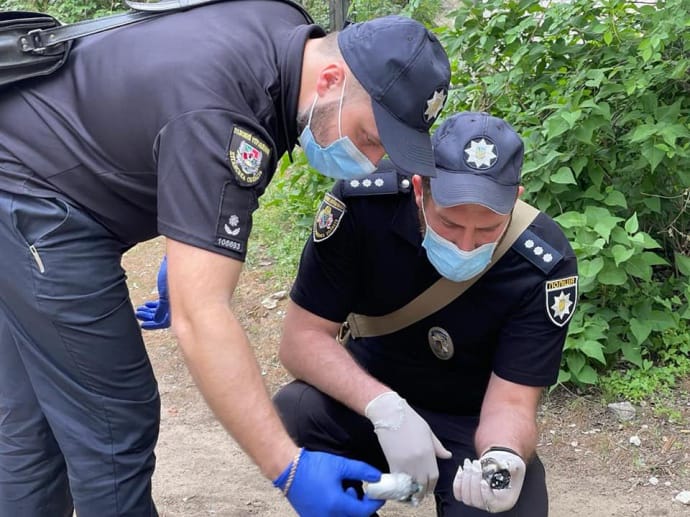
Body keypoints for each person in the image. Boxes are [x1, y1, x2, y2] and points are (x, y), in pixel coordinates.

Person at [0, 0, 451, 514]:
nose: (371, 162)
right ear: (331, 80)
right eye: (370, 138)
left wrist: (191, 239)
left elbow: (172, 105)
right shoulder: (224, 116)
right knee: (114, 424)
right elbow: (201, 317)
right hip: (32, 197)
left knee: (32, 422)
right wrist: (289, 467)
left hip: (24, 149)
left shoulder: (282, 29)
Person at [271, 112, 579, 515]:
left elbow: (512, 402)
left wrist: (503, 455)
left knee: (507, 499)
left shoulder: (541, 263)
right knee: (297, 413)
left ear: (515, 200)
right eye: (449, 223)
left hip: (471, 423)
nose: (466, 245)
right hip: (369, 401)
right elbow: (302, 339)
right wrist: (384, 407)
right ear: (420, 189)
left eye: (487, 230)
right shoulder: (364, 206)